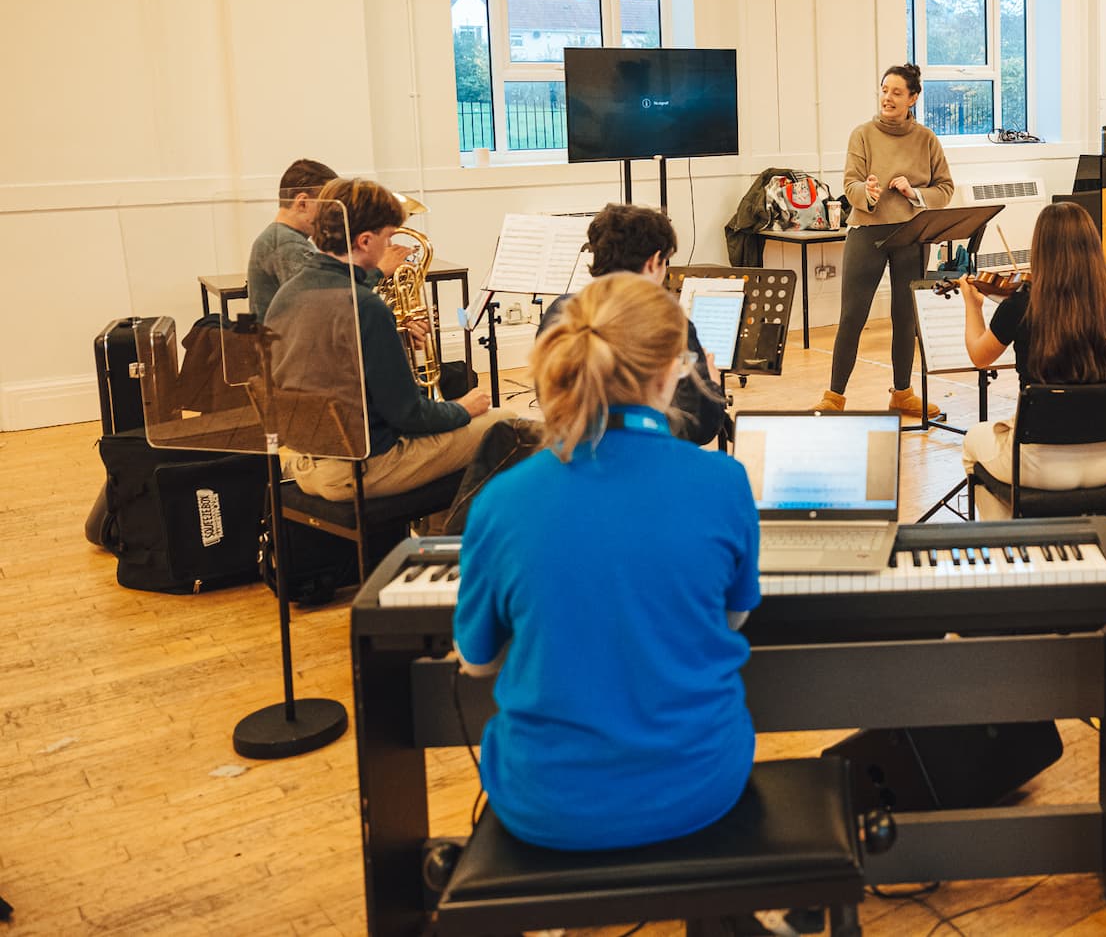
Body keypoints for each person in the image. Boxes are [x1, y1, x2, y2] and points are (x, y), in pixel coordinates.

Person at [455, 273, 760, 852]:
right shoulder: (724, 481)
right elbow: (731, 620)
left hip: (545, 799)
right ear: (675, 371)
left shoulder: (502, 499)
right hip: (699, 783)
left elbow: (477, 663)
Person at [267, 178, 508, 500]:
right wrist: (462, 408)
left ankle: (435, 536)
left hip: (301, 461)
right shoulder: (365, 306)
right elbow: (409, 415)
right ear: (366, 240)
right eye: (388, 236)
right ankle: (453, 538)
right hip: (359, 468)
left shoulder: (288, 293)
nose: (390, 245)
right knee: (507, 424)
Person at [960, 203, 1106, 513]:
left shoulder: (1021, 304)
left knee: (974, 440)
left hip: (1041, 466)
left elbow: (980, 357)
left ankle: (1008, 546)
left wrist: (972, 307)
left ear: (1041, 249)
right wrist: (1101, 381)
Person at [820, 64, 954, 419]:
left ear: (912, 98)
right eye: (884, 90)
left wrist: (915, 193)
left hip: (911, 234)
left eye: (896, 92)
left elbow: (945, 189)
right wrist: (869, 191)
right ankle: (834, 397)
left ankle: (903, 393)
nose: (887, 98)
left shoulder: (926, 139)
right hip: (868, 231)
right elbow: (850, 186)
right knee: (852, 316)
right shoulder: (862, 134)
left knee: (904, 316)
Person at [539, 203, 726, 446]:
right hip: (648, 459)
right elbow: (697, 428)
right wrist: (711, 384)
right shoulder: (669, 323)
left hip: (572, 449)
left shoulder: (561, 311)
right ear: (654, 261)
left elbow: (549, 399)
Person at [245, 159, 337, 320]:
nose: (331, 215)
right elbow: (323, 306)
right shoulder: (287, 243)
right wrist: (374, 272)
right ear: (302, 203)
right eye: (327, 206)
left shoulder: (282, 237)